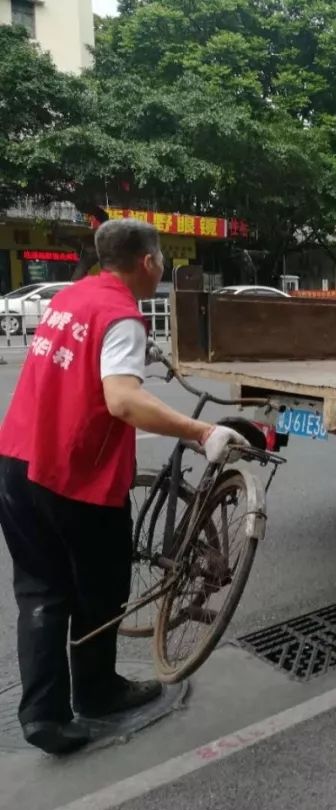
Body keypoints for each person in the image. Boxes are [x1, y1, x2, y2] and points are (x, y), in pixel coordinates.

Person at [0, 219, 248, 755]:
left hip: (17, 462)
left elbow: (88, 364)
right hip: (70, 474)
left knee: (41, 592)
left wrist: (143, 358)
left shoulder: (74, 296)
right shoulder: (122, 315)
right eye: (160, 260)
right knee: (102, 587)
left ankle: (42, 716)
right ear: (148, 262)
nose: (161, 269)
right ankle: (96, 692)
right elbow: (122, 401)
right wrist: (201, 430)